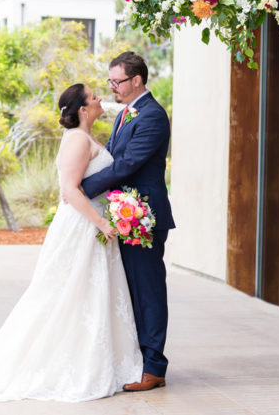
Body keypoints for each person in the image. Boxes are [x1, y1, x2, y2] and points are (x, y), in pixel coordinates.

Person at [0, 83, 142, 403]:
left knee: (87, 294)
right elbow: (71, 190)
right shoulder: (77, 139)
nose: (100, 98)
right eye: (94, 96)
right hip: (82, 226)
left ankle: (95, 358)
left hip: (91, 225)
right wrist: (103, 222)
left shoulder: (85, 137)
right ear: (83, 109)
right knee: (64, 294)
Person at [81, 51, 175, 392]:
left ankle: (154, 368)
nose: (111, 88)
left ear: (136, 80)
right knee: (129, 291)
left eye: (116, 81)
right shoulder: (127, 114)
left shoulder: (152, 116)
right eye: (110, 81)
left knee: (148, 290)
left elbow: (126, 166)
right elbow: (110, 157)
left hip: (144, 216)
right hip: (124, 213)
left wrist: (81, 189)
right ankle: (136, 362)